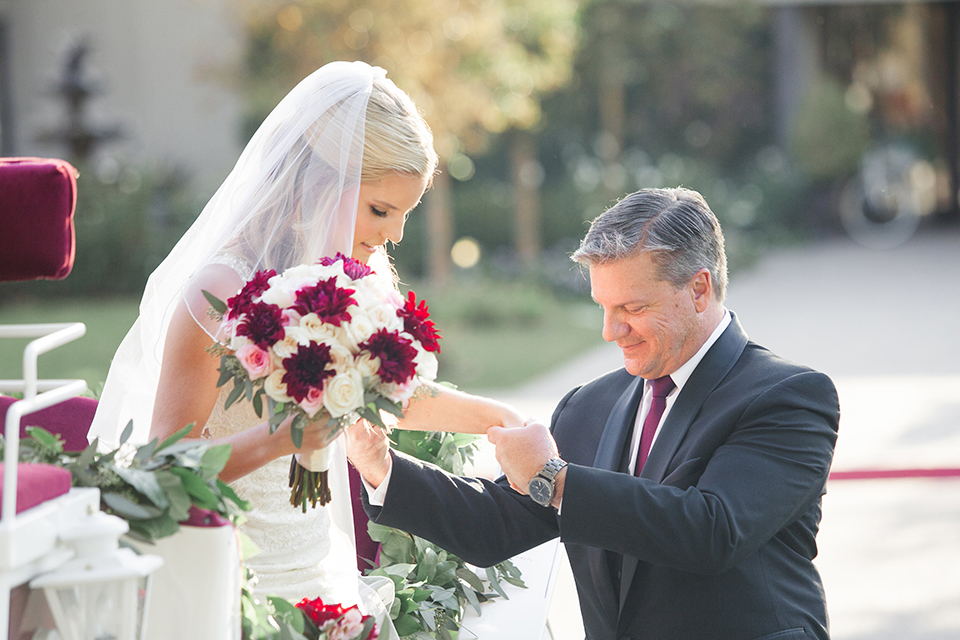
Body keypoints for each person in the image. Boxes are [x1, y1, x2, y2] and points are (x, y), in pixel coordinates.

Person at [88, 60, 522, 635]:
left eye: (404, 216)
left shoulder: (350, 280)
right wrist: (284, 437)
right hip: (234, 577)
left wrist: (500, 419)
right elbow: (167, 466)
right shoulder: (218, 293)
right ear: (317, 184)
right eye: (380, 210)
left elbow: (390, 395)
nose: (393, 236)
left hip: (318, 565)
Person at [347, 187, 840, 640]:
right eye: (603, 307)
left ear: (698, 288)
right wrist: (381, 467)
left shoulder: (789, 395)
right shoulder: (589, 406)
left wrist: (556, 479)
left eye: (631, 307)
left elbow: (712, 531)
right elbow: (495, 525)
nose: (610, 331)